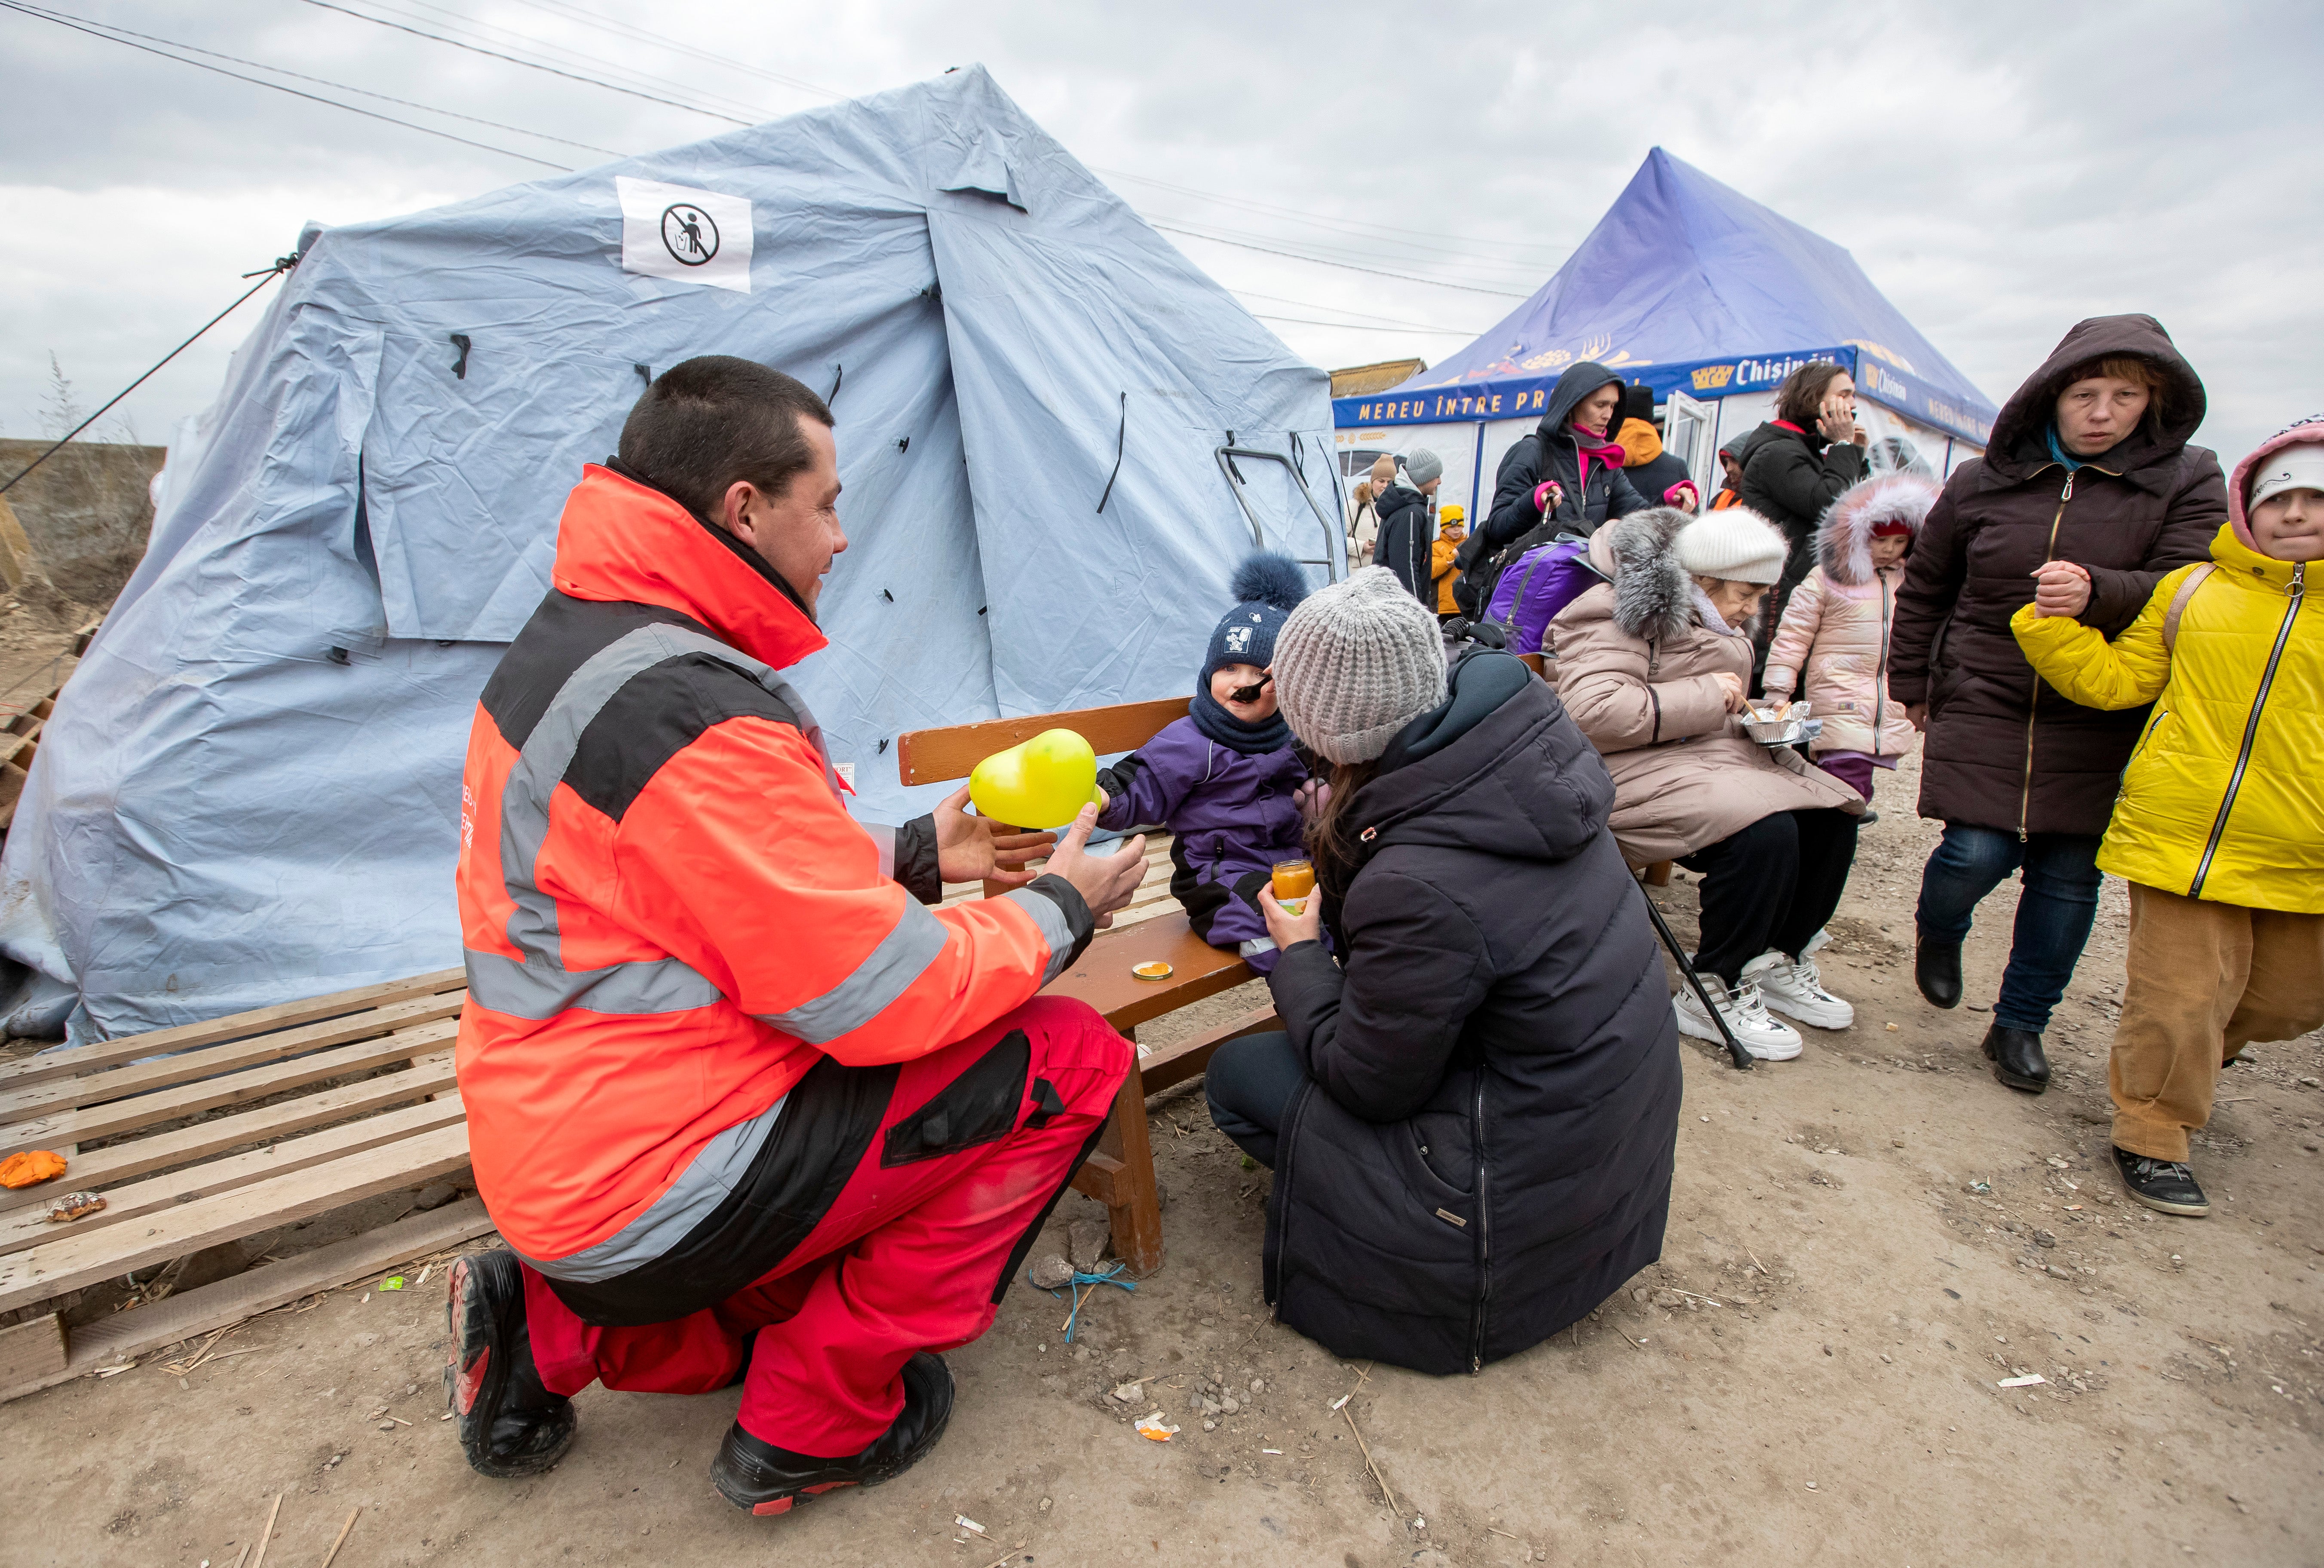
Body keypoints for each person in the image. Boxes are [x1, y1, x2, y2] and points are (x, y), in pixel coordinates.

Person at [441, 356, 1152, 1513]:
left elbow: (692, 878)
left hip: (560, 1137)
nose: (839, 538)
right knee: (1065, 1056)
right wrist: (1058, 911)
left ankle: (551, 1325)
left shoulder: (586, 647)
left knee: (849, 1165)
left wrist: (915, 851)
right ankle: (812, 1424)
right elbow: (881, 1000)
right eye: (824, 504)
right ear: (742, 508)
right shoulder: (694, 710)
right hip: (650, 1178)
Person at [1199, 567, 1681, 1373]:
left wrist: (1300, 952)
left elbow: (1371, 1083)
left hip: (1505, 1209)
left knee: (1239, 1073)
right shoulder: (1524, 757)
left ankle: (1366, 1219)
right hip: (1601, 1160)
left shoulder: (1416, 880)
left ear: (1330, 732)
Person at [1889, 315, 2226, 1096]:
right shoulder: (1980, 481)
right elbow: (1930, 586)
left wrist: (2099, 590)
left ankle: (2020, 1022)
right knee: (1973, 851)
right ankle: (1939, 930)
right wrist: (1913, 682)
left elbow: (2191, 587)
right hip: (1987, 686)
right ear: (2051, 396)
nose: (2102, 411)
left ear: (2154, 402)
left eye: (2125, 395)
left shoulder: (2188, 479)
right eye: (2085, 393)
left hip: (2103, 702)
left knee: (2068, 875)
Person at [2010, 416, 2323, 1216]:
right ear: (2248, 503)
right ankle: (2151, 1128)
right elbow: (2118, 680)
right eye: (2280, 496)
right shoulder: (2192, 590)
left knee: (2288, 999)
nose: (2296, 513)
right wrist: (2051, 629)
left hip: (2302, 849)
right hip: (2179, 835)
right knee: (2178, 996)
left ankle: (2198, 1058)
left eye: (2316, 497)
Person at [1548, 507, 1865, 1058]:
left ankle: (1779, 959)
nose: (1752, 608)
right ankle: (1715, 984)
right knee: (1765, 833)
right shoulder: (1614, 612)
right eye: (1745, 593)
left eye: (1761, 595)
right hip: (1622, 772)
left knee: (1833, 817)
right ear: (1700, 580)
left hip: (1700, 761)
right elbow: (1589, 712)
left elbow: (1713, 704)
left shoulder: (1719, 621)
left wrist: (1757, 718)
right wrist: (1706, 696)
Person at [1093, 551, 1313, 974]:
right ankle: (1295, 971)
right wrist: (1104, 797)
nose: (1243, 683)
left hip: (1289, 860)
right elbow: (1143, 782)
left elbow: (1334, 769)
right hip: (1217, 873)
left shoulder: (1294, 736)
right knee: (1260, 914)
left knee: (1340, 898)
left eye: (1259, 673)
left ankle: (1318, 966)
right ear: (1210, 672)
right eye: (1229, 666)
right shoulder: (1192, 742)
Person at [1761, 471, 1939, 802]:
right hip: (1837, 693)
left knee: (1857, 786)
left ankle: (1829, 835)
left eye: (1899, 541)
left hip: (1888, 702)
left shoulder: (1913, 582)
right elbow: (1793, 634)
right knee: (1846, 781)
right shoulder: (1829, 578)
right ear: (1858, 535)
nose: (1889, 550)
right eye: (1880, 539)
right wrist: (1778, 689)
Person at [1451, 361, 1651, 616]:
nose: (1608, 415)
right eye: (1600, 405)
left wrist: (1671, 503)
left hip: (1581, 600)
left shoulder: (1606, 463)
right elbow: (1498, 527)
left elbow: (1639, 513)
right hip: (1528, 604)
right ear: (1572, 404)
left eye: (1613, 406)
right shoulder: (1532, 451)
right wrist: (1533, 502)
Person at [1732, 362, 1871, 678]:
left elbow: (1857, 511)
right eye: (1844, 395)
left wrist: (1854, 455)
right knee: (1774, 681)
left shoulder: (1808, 452)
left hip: (1806, 589)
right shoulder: (1778, 453)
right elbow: (1829, 505)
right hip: (1780, 592)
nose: (1852, 406)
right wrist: (1844, 447)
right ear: (1815, 398)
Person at [1374, 448, 1443, 603]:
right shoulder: (1410, 512)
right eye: (1436, 476)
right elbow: (1406, 568)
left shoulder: (1403, 504)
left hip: (1388, 603)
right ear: (1424, 477)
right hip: (1401, 610)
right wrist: (1418, 612)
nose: (1439, 482)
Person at [1616, 385, 1698, 512]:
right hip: (1663, 531)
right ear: (1650, 417)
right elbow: (1692, 516)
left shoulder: (1604, 464)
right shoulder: (1677, 466)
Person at [1430, 502, 1468, 620]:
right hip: (1444, 608)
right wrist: (1453, 556)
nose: (1457, 530)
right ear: (1443, 527)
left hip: (1465, 606)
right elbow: (1432, 572)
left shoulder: (1470, 544)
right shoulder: (1436, 547)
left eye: (1459, 526)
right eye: (1452, 527)